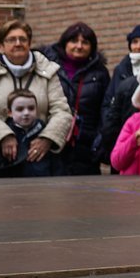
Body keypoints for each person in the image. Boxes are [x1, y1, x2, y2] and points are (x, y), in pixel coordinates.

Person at [0, 20, 72, 174]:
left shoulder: (47, 70)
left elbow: (62, 111)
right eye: (11, 39)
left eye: (22, 39)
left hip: (37, 157)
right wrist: (3, 136)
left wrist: (47, 138)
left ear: (29, 43)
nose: (18, 43)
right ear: (0, 46)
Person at [41, 22, 110, 176]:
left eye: (85, 42)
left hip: (86, 147)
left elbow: (105, 109)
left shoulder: (100, 73)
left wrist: (98, 140)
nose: (79, 46)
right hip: (53, 143)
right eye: (74, 41)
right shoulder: (50, 68)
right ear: (64, 43)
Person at [97, 24, 140, 166]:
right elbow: (108, 103)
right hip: (122, 138)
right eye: (135, 42)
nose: (139, 46)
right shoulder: (121, 69)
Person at [0, 89, 61, 178]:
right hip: (12, 188)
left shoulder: (45, 134)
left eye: (31, 108)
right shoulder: (2, 136)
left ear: (36, 110)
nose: (26, 113)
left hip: (41, 186)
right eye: (20, 109)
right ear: (9, 112)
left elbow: (57, 166)